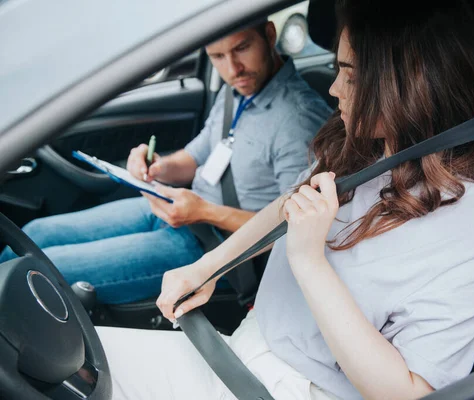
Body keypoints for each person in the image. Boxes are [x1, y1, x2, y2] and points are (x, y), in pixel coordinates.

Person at [96, 0, 474, 398]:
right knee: (72, 355)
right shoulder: (361, 150)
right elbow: (288, 206)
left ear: (411, 83)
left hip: (283, 387)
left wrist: (309, 262)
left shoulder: (472, 232)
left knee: (71, 365)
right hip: (244, 346)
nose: (334, 88)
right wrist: (205, 269)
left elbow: (410, 393)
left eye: (351, 76)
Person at [0, 20, 332, 304]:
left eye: (242, 48)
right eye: (217, 57)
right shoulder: (239, 93)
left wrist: (205, 212)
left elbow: (293, 226)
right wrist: (158, 167)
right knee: (33, 234)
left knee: (29, 270)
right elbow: (196, 156)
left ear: (270, 35)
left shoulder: (298, 119)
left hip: (217, 248)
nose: (233, 69)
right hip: (178, 212)